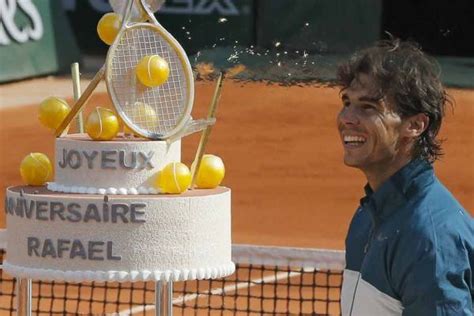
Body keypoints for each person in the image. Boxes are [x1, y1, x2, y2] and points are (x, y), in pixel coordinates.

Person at [336, 38, 473, 315]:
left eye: (368, 107)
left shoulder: (428, 238)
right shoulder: (368, 215)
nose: (346, 117)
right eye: (347, 102)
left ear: (414, 125)